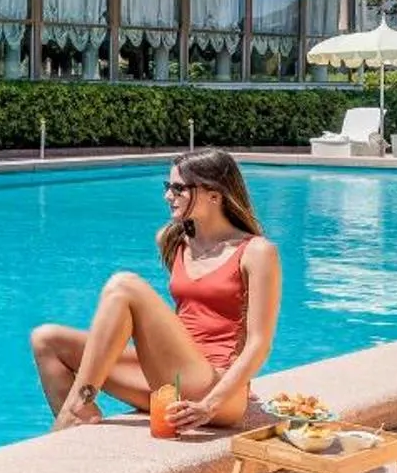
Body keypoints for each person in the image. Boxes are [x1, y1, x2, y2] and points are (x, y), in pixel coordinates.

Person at [29, 149, 281, 435]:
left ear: (215, 194)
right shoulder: (174, 240)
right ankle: (80, 421)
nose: (168, 196)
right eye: (167, 187)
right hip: (173, 377)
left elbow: (259, 344)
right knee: (46, 340)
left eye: (178, 188)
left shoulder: (257, 252)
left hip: (215, 388)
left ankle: (75, 408)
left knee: (124, 285)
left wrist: (214, 400)